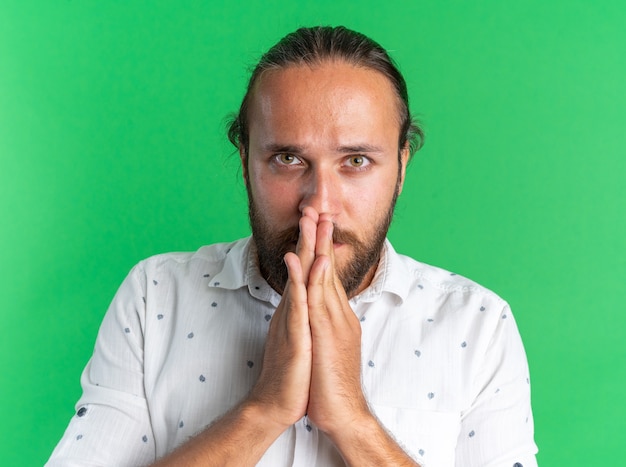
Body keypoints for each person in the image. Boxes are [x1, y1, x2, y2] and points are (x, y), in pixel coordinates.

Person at [47, 26, 538, 466]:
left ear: (402, 167)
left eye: (357, 161)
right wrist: (262, 410)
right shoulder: (154, 296)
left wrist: (352, 420)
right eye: (287, 158)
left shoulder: (478, 327)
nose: (319, 205)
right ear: (245, 164)